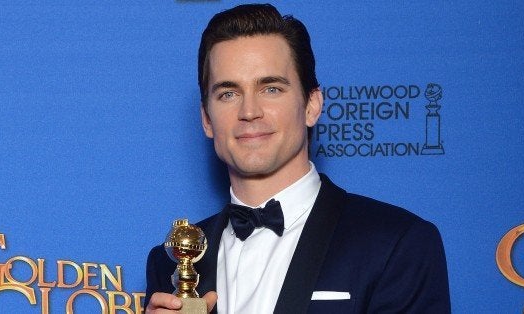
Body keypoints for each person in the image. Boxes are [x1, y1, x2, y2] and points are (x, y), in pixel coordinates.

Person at [145, 3, 450, 313]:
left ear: (311, 106)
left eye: (271, 89)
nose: (249, 111)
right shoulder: (170, 260)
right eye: (228, 94)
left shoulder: (396, 244)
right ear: (207, 120)